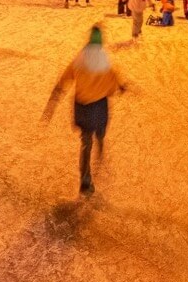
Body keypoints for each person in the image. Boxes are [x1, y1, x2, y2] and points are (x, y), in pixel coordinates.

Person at [42, 25, 126, 196]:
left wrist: (51, 105)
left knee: (86, 142)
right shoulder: (104, 60)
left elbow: (62, 81)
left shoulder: (79, 59)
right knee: (100, 130)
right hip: (99, 107)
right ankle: (100, 140)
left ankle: (85, 180)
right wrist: (121, 87)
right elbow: (113, 80)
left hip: (82, 107)